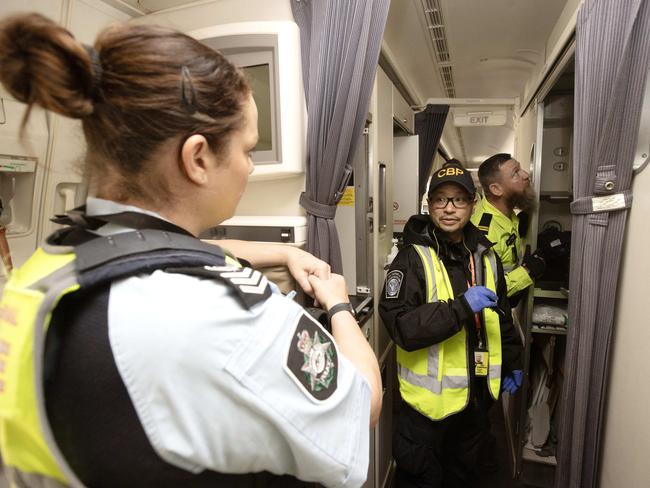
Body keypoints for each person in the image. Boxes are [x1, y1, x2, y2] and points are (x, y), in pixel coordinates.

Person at [0, 13, 382, 488]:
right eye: (246, 149)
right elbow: (362, 401)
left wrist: (282, 254)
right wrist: (339, 303)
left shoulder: (54, 260)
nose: (247, 167)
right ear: (198, 158)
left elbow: (172, 249)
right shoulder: (218, 318)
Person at [379, 164, 523, 487]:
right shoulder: (411, 259)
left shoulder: (487, 257)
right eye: (440, 200)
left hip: (475, 404)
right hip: (426, 414)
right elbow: (402, 326)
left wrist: (514, 360)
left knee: (467, 478)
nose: (448, 208)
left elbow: (501, 315)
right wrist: (459, 308)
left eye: (458, 200)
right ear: (429, 205)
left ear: (473, 204)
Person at [471, 153, 546, 300]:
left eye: (521, 169)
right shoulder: (485, 233)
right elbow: (486, 291)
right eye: (515, 173)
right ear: (496, 189)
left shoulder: (506, 214)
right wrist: (527, 270)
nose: (525, 175)